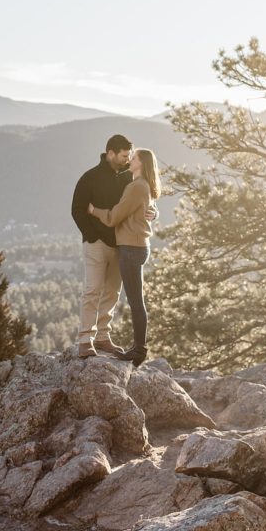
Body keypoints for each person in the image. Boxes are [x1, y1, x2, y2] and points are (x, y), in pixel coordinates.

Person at [89, 148, 161, 367]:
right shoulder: (142, 186)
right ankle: (138, 348)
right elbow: (145, 209)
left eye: (134, 157)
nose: (130, 159)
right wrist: (154, 212)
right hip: (136, 247)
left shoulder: (136, 187)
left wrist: (93, 210)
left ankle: (139, 350)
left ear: (141, 163)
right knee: (135, 300)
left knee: (136, 302)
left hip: (131, 248)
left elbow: (113, 218)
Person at [71, 134, 133, 358]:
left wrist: (152, 212)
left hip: (120, 244)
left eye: (129, 155)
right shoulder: (90, 178)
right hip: (96, 244)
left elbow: (139, 203)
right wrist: (91, 236)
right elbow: (77, 210)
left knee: (112, 293)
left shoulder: (128, 178)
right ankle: (85, 339)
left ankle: (103, 337)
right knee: (92, 290)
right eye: (124, 156)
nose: (128, 159)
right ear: (110, 154)